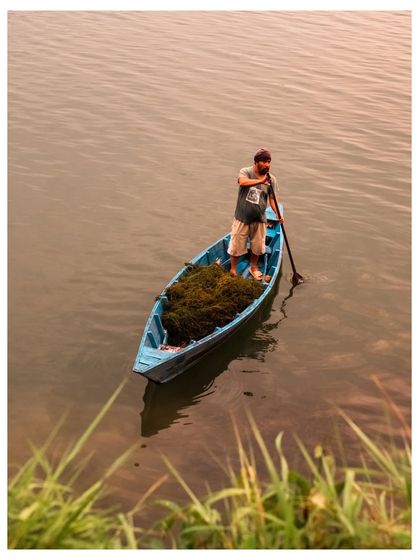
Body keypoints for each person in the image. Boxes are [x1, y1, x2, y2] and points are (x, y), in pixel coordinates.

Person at [228, 148, 284, 280]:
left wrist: (278, 214)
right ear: (256, 162)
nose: (267, 164)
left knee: (258, 247)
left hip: (259, 218)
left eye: (269, 161)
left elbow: (272, 199)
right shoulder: (246, 171)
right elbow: (242, 182)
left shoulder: (272, 179)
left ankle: (253, 268)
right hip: (242, 217)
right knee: (236, 245)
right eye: (264, 161)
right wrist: (260, 181)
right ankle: (233, 269)